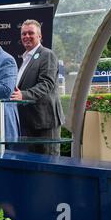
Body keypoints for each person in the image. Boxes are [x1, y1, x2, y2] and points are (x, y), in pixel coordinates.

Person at [10, 19, 65, 155]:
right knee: (35, 166)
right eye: (23, 34)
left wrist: (24, 95)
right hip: (30, 121)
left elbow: (46, 83)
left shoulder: (47, 55)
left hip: (45, 121)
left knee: (49, 164)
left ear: (40, 36)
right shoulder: (26, 58)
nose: (26, 36)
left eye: (30, 33)